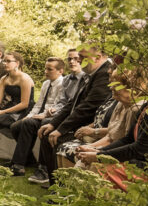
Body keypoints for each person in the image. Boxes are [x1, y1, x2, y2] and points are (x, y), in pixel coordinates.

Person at [29, 46, 113, 187]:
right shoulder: (94, 72)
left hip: (92, 128)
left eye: (82, 57)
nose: (78, 60)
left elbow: (88, 107)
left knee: (54, 139)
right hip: (82, 125)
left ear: (98, 57)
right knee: (47, 132)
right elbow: (72, 103)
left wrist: (60, 129)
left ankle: (58, 187)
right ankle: (54, 184)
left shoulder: (104, 74)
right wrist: (53, 124)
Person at [61, 68, 144, 167]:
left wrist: (97, 152)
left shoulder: (136, 109)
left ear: (131, 87)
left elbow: (129, 145)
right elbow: (111, 136)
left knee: (88, 163)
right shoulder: (120, 104)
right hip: (109, 147)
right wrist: (94, 149)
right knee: (69, 152)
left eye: (116, 85)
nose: (110, 87)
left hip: (126, 158)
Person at [5, 56, 67, 175]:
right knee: (15, 126)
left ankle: (18, 165)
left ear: (60, 71)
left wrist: (43, 116)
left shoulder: (63, 84)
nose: (46, 72)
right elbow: (39, 104)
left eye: (50, 69)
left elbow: (58, 105)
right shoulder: (45, 83)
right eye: (45, 69)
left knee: (28, 124)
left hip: (51, 117)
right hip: (40, 114)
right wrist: (30, 115)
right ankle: (29, 159)